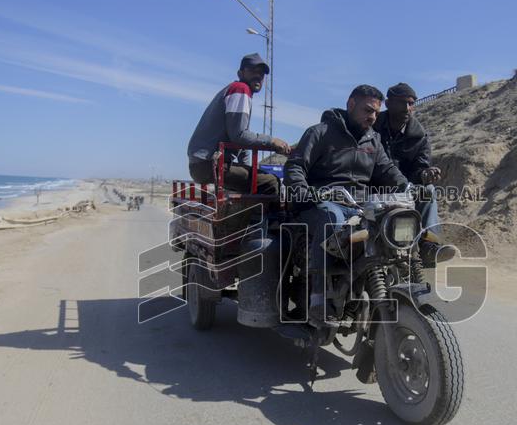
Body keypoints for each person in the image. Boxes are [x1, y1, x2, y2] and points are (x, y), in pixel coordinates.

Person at [285, 84, 409, 325]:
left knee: (397, 217)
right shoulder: (321, 132)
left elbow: (387, 170)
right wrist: (304, 191)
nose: (372, 116)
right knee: (332, 218)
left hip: (358, 205)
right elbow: (295, 165)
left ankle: (407, 270)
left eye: (375, 112)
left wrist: (406, 186)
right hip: (319, 203)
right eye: (367, 110)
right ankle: (319, 299)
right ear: (351, 104)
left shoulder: (374, 139)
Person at [187, 53, 290, 196]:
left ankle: (244, 215)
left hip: (203, 164)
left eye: (261, 73)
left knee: (254, 180)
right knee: (271, 182)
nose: (258, 75)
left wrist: (247, 168)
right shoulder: (240, 89)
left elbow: (241, 139)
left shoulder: (236, 90)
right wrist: (272, 141)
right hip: (209, 164)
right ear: (240, 73)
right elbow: (240, 136)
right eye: (253, 70)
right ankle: (256, 218)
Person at [374, 82, 445, 265]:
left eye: (411, 103)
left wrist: (424, 174)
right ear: (388, 103)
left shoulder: (419, 135)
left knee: (428, 190)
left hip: (404, 187)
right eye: (402, 102)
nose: (408, 108)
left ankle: (430, 246)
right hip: (371, 185)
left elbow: (419, 167)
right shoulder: (371, 126)